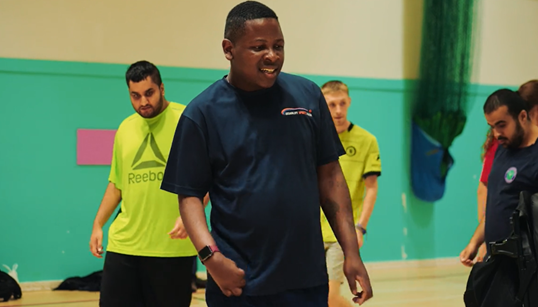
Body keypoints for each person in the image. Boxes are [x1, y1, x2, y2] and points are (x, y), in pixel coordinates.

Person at [160, 1, 373, 306]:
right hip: (238, 282)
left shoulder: (308, 96)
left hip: (306, 281)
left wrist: (352, 252)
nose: (272, 55)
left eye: (278, 45)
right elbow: (189, 196)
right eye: (258, 47)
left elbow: (330, 178)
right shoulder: (202, 113)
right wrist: (211, 258)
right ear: (228, 49)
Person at [89, 60, 199, 307]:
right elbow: (117, 184)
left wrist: (191, 215)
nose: (143, 102)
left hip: (171, 247)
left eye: (149, 93)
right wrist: (98, 224)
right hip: (124, 244)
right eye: (135, 96)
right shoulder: (125, 128)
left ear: (162, 88)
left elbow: (207, 178)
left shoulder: (187, 120)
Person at [460, 88, 538, 269]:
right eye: (492, 126)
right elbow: (496, 205)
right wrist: (475, 242)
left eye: (502, 125)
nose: (496, 133)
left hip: (529, 270)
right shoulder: (502, 149)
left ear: (523, 117)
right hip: (498, 265)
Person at [320, 81, 381, 307]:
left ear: (349, 103)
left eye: (342, 103)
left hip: (342, 231)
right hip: (311, 231)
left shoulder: (367, 141)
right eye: (331, 104)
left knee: (330, 297)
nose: (338, 110)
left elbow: (371, 188)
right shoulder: (314, 138)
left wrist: (360, 227)